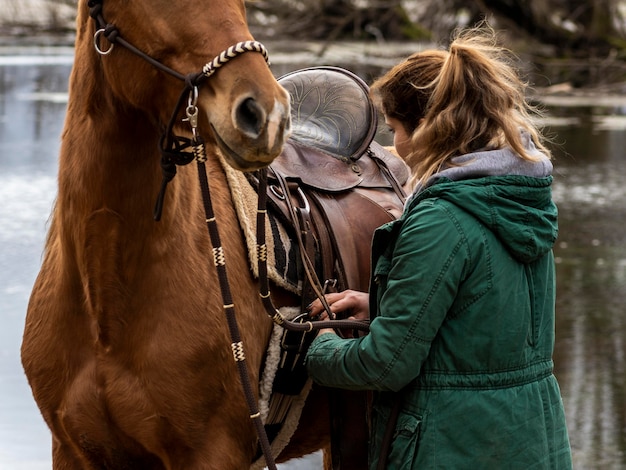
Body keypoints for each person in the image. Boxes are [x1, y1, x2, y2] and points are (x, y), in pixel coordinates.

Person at [305, 24, 573, 469]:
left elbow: (384, 366)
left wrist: (322, 346)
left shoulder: (439, 217)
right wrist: (382, 307)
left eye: (395, 129)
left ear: (429, 128)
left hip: (453, 446)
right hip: (531, 440)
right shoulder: (519, 197)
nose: (395, 148)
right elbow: (488, 319)